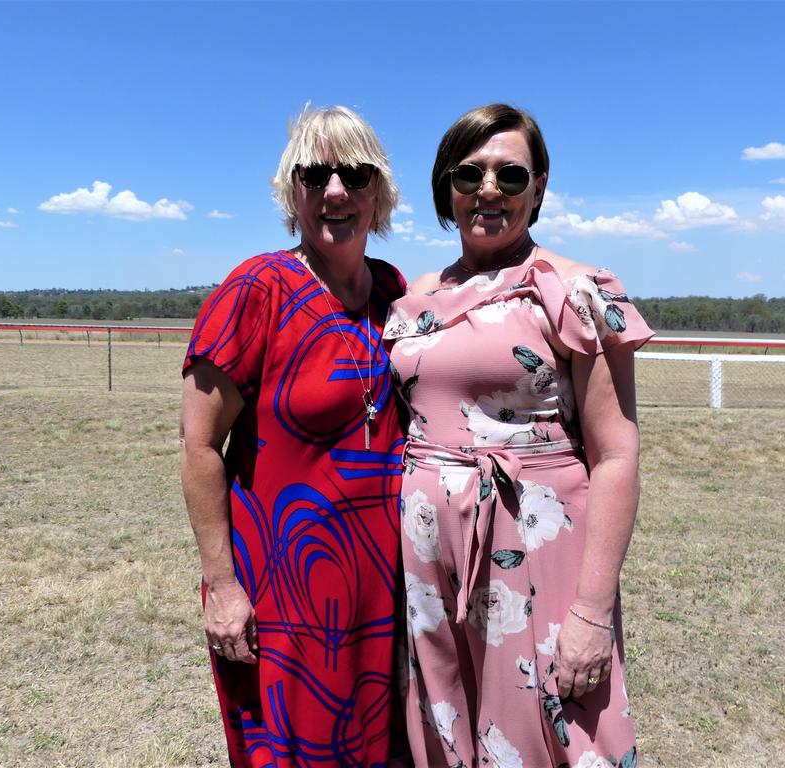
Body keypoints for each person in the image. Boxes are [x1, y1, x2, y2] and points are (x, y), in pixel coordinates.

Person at [383, 104, 652, 767]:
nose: (489, 190)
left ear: (539, 186)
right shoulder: (418, 295)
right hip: (426, 552)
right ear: (445, 187)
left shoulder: (574, 289)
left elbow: (616, 454)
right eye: (469, 173)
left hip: (532, 546)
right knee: (445, 714)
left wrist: (591, 613)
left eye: (510, 173)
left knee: (544, 721)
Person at [180, 105, 408, 767]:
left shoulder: (391, 293)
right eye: (315, 174)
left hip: (385, 591)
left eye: (355, 174)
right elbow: (199, 447)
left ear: (379, 192)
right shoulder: (258, 289)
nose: (335, 191)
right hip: (286, 596)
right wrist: (221, 586)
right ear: (292, 192)